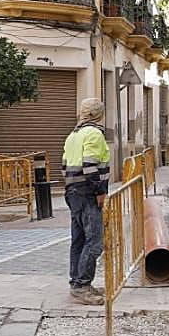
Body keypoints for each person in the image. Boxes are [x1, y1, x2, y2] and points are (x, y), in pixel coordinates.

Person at [62, 98, 110, 305]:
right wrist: (99, 191)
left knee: (79, 239)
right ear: (98, 114)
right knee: (94, 241)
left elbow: (64, 166)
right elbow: (90, 165)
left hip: (73, 192)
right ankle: (82, 286)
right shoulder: (94, 134)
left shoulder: (73, 136)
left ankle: (77, 283)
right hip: (87, 194)